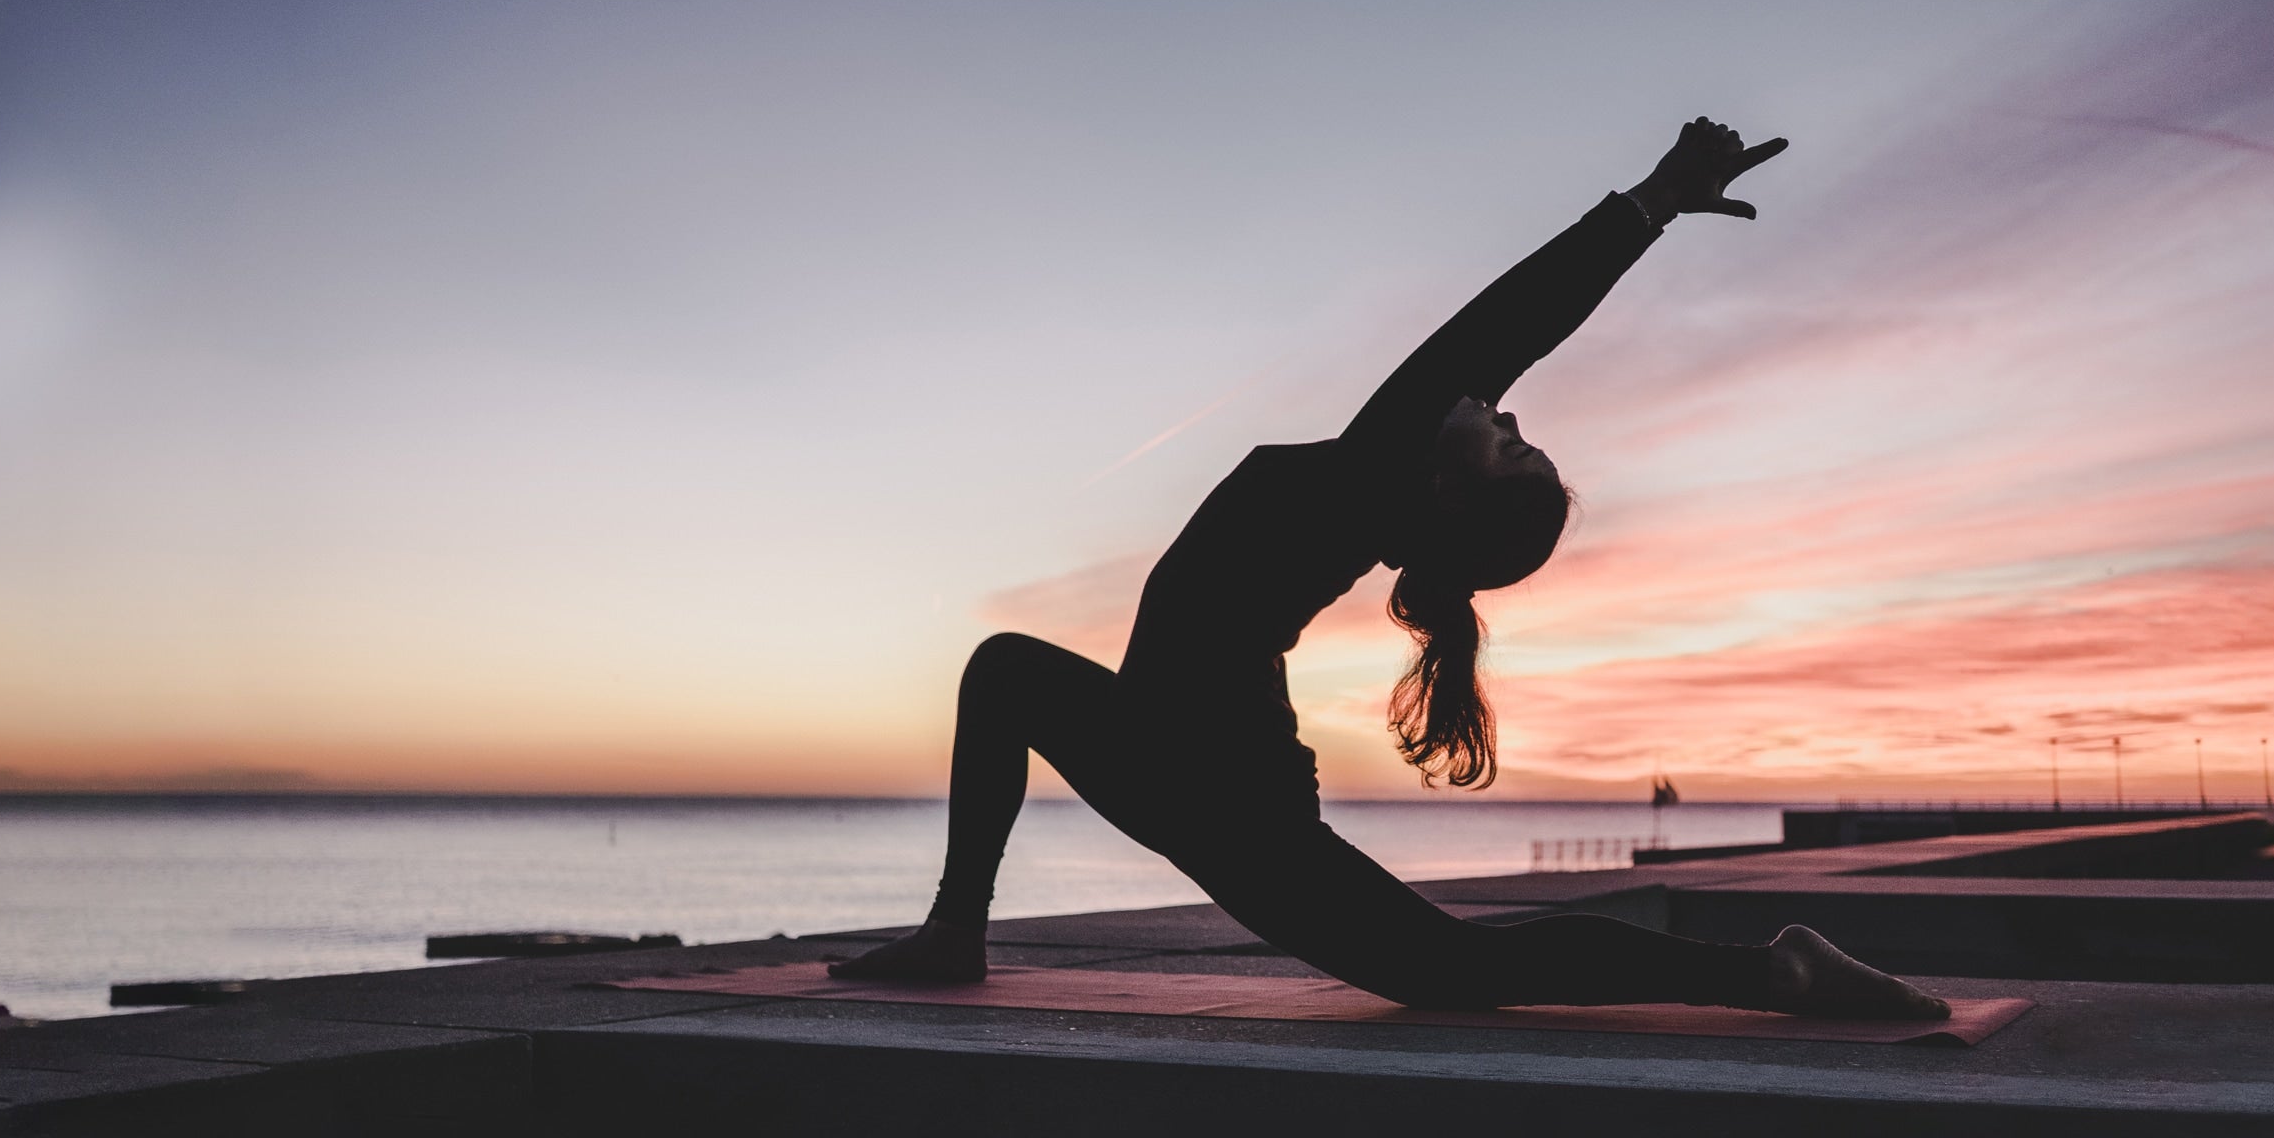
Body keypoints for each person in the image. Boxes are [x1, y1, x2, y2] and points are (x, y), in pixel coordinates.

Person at [834, 119, 1946, 1020]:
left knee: (1457, 976)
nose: (1502, 410)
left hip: (1222, 794)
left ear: (1450, 497)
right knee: (1004, 671)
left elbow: (1508, 323)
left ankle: (1773, 972)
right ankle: (956, 929)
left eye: (1510, 443)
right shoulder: (1373, 490)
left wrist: (1650, 203)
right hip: (1167, 753)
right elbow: (1501, 345)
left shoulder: (1376, 475)